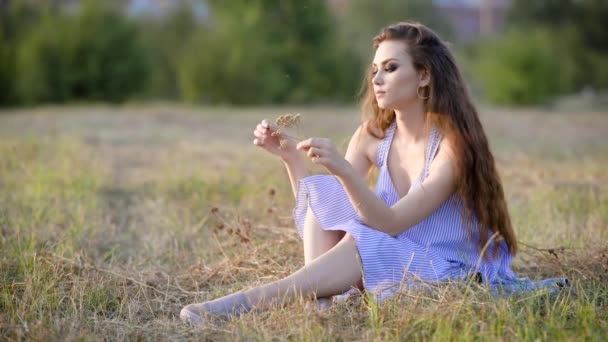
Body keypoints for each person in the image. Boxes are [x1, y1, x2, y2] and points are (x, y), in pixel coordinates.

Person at [180, 22, 567, 326]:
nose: (377, 79)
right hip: (391, 252)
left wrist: (345, 171)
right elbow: (326, 214)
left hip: (447, 265)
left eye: (391, 67)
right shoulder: (372, 136)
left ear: (424, 77)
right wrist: (292, 162)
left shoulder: (453, 145)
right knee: (327, 193)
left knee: (366, 237)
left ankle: (244, 303)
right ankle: (323, 303)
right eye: (375, 70)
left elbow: (392, 222)